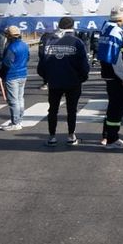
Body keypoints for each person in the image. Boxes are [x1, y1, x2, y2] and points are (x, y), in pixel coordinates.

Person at [39, 16, 90, 147]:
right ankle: (71, 135)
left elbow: (42, 63)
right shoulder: (77, 42)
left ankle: (52, 137)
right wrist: (82, 78)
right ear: (72, 26)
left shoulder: (50, 41)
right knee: (72, 110)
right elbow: (84, 65)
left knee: (53, 110)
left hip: (55, 82)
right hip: (73, 82)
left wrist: (47, 78)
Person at [98, 8, 123, 149]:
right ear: (119, 19)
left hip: (108, 74)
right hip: (116, 76)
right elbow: (116, 58)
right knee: (117, 108)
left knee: (113, 106)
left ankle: (108, 136)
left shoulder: (105, 28)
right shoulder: (116, 32)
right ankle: (112, 139)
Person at [0, 26, 29, 130]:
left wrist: (1, 73)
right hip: (23, 74)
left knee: (13, 100)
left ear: (9, 35)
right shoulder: (24, 45)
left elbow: (7, 63)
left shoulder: (11, 47)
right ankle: (19, 120)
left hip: (12, 75)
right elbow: (27, 58)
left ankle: (15, 123)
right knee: (20, 98)